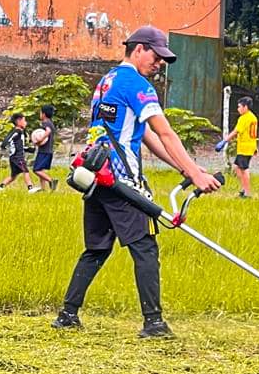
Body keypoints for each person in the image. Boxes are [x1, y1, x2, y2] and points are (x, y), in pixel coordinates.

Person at [53, 25, 221, 339]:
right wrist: (197, 175)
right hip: (121, 181)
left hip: (95, 176)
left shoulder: (107, 82)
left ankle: (67, 314)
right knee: (145, 247)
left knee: (97, 248)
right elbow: (165, 132)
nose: (159, 64)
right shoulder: (137, 85)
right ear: (139, 48)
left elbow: (144, 135)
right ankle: (153, 323)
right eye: (157, 56)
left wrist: (185, 169)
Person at [215, 95, 258, 198]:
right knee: (237, 167)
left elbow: (236, 131)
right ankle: (243, 188)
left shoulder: (244, 118)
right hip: (248, 146)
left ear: (245, 107)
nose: (238, 109)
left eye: (239, 107)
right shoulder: (252, 117)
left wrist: (224, 141)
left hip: (245, 147)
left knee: (244, 169)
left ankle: (247, 193)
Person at [0, 112, 39, 192]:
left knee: (13, 176)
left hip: (15, 157)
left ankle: (0, 187)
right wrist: (4, 145)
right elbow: (8, 139)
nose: (26, 123)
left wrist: (29, 149)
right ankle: (30, 188)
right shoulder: (16, 131)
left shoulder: (21, 132)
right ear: (19, 121)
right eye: (24, 120)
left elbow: (19, 146)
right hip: (17, 157)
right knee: (25, 171)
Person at [32, 104, 59, 191]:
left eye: (40, 113)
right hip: (48, 151)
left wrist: (40, 139)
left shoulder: (45, 123)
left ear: (43, 114)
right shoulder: (50, 122)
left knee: (36, 170)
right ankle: (43, 188)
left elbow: (48, 131)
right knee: (41, 170)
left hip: (44, 151)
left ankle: (51, 181)